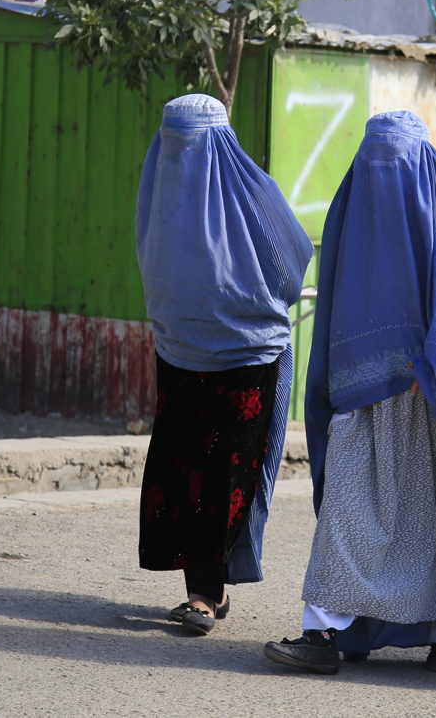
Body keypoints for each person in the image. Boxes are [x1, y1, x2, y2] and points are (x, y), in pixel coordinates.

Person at [263, 110, 436, 678]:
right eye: (375, 162)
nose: (383, 177)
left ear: (424, 171)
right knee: (348, 513)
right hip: (364, 396)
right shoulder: (352, 213)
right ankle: (322, 631)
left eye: (397, 164)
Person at [134, 93, 313, 636]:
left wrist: (239, 299)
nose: (180, 155)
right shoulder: (158, 191)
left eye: (191, 143)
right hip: (179, 350)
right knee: (185, 469)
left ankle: (205, 594)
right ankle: (210, 587)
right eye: (173, 142)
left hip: (246, 354)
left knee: (221, 474)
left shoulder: (251, 192)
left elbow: (292, 259)